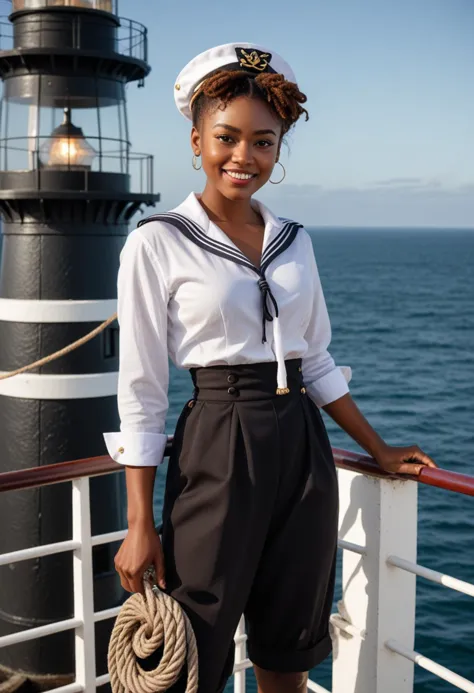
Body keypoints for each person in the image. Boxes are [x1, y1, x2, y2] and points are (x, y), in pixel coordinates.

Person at [104, 42, 436, 693]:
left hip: (304, 449)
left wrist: (379, 448)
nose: (243, 157)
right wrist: (139, 522)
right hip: (219, 442)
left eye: (264, 141)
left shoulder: (296, 240)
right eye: (226, 137)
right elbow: (140, 390)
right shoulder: (157, 241)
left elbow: (315, 360)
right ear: (196, 137)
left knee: (289, 647)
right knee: (189, 651)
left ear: (279, 147)